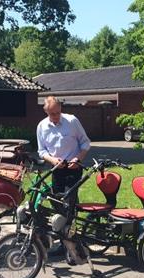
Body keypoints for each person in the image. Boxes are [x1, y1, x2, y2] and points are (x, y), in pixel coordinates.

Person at [36, 96, 91, 263]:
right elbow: (41, 150)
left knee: (69, 205)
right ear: (46, 112)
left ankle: (73, 246)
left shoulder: (72, 121)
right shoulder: (42, 126)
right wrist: (52, 160)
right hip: (56, 169)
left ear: (61, 108)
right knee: (57, 206)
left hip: (73, 169)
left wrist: (78, 159)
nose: (55, 116)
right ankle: (64, 241)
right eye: (52, 114)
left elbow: (85, 143)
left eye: (58, 112)